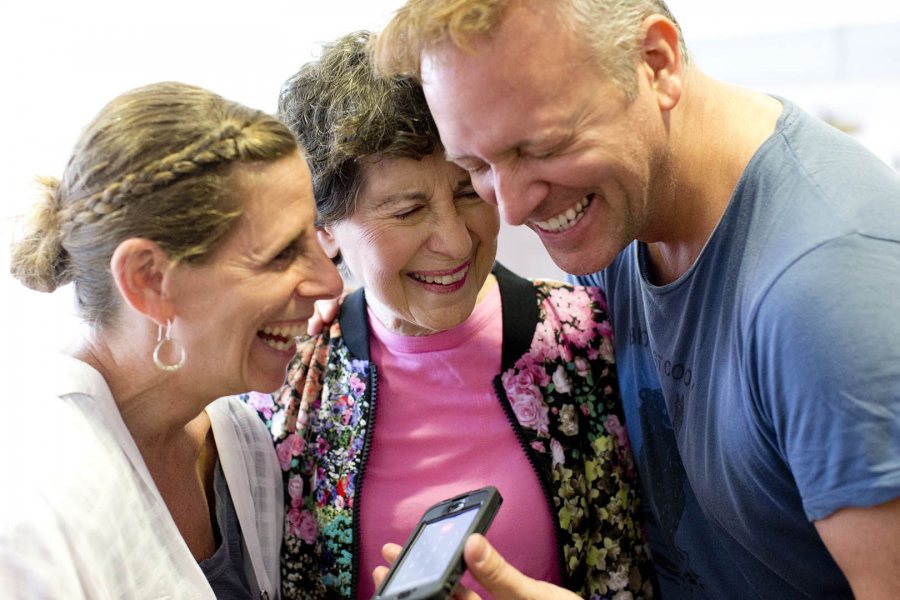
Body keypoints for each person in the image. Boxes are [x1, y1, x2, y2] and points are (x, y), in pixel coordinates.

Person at [372, 0, 900, 598]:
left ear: (657, 62)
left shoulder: (827, 287)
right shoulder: (618, 215)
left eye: (539, 147)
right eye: (477, 167)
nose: (512, 208)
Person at [240, 31, 655, 600]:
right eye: (409, 211)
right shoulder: (290, 389)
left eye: (467, 191)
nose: (457, 242)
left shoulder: (584, 341)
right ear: (325, 232)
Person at [1, 81, 343, 598]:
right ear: (149, 280)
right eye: (280, 254)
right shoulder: (32, 505)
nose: (330, 282)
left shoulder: (239, 439)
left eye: (315, 238)